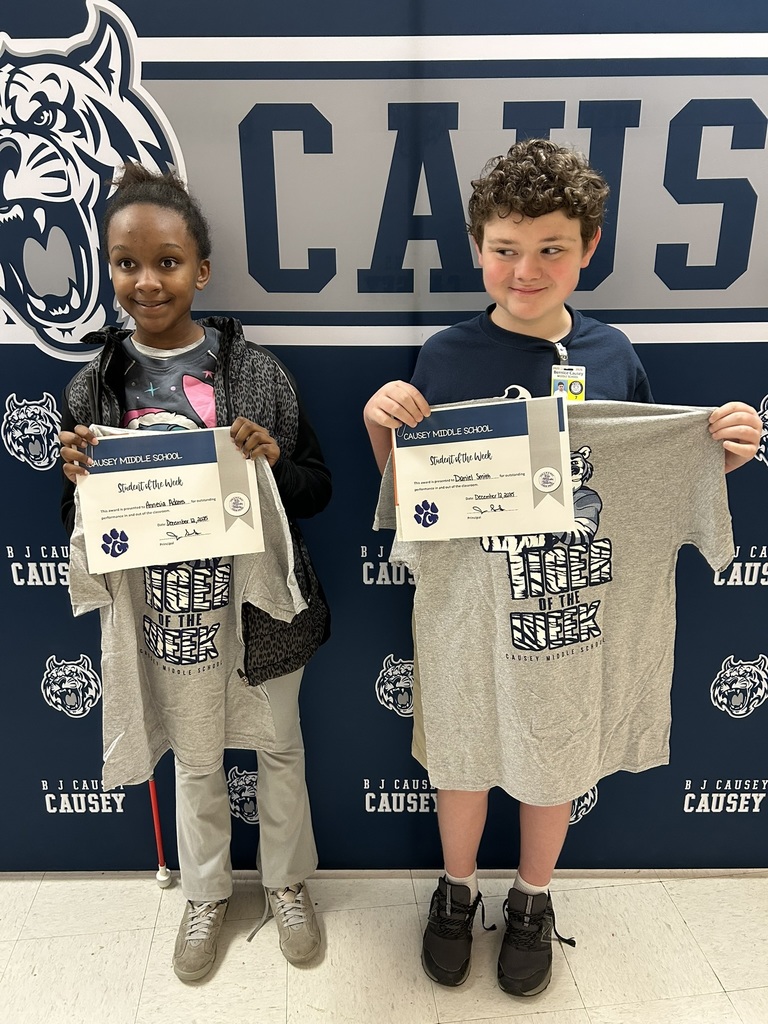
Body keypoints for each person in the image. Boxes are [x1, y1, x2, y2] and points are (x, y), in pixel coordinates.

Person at [363, 138, 761, 998]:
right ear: (477, 247)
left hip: (570, 615)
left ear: (589, 248)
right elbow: (413, 497)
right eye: (506, 248)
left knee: (555, 756)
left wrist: (715, 460)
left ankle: (532, 898)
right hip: (468, 614)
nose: (526, 270)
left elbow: (642, 482)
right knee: (461, 758)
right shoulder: (444, 356)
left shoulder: (614, 356)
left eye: (552, 248)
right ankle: (456, 890)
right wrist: (379, 430)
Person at [58, 163, 331, 982]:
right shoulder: (92, 389)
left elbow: (317, 489)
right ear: (109, 269)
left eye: (167, 262)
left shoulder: (257, 374)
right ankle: (206, 893)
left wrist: (274, 463)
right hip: (166, 615)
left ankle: (286, 884)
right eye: (127, 263)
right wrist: (79, 486)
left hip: (259, 612)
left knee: (278, 747)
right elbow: (77, 526)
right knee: (197, 757)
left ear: (200, 271)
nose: (147, 281)